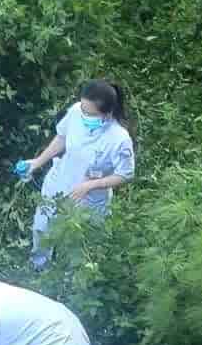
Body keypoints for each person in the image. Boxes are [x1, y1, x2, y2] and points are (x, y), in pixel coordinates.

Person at [14, 79, 134, 271]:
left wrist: (90, 186)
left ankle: (71, 279)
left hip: (90, 198)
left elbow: (124, 174)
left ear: (107, 113)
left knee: (79, 241)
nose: (83, 114)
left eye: (90, 113)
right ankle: (39, 267)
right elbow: (61, 138)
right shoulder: (76, 111)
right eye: (83, 109)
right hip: (59, 183)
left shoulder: (119, 138)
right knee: (42, 228)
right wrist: (36, 163)